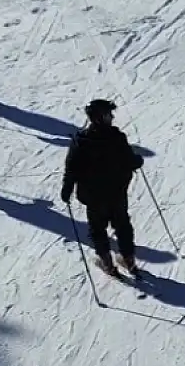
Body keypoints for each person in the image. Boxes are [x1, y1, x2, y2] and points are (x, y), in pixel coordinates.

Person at [61, 98, 146, 277]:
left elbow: (71, 168)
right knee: (122, 226)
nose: (112, 117)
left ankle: (107, 263)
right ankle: (128, 260)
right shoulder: (117, 138)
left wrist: (67, 189)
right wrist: (138, 160)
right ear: (100, 117)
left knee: (98, 229)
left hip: (93, 196)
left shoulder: (81, 140)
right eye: (109, 114)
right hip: (116, 193)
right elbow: (130, 161)